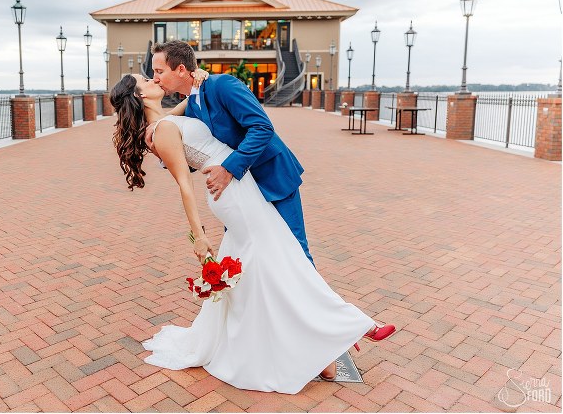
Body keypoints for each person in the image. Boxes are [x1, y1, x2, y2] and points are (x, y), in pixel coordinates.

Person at [109, 74, 396, 393]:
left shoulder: (165, 119)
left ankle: (326, 340)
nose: (154, 78)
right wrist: (199, 237)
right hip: (232, 195)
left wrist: (201, 80)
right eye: (147, 80)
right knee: (282, 257)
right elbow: (184, 186)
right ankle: (354, 326)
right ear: (139, 95)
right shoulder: (159, 132)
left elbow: (192, 101)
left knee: (266, 265)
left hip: (241, 185)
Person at [147, 40, 316, 267]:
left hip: (271, 176)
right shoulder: (192, 105)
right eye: (153, 73)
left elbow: (262, 128)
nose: (155, 78)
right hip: (239, 191)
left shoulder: (223, 85)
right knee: (247, 251)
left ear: (181, 69)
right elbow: (198, 154)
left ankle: (308, 301)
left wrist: (228, 168)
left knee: (294, 249)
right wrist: (162, 150)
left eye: (159, 71)